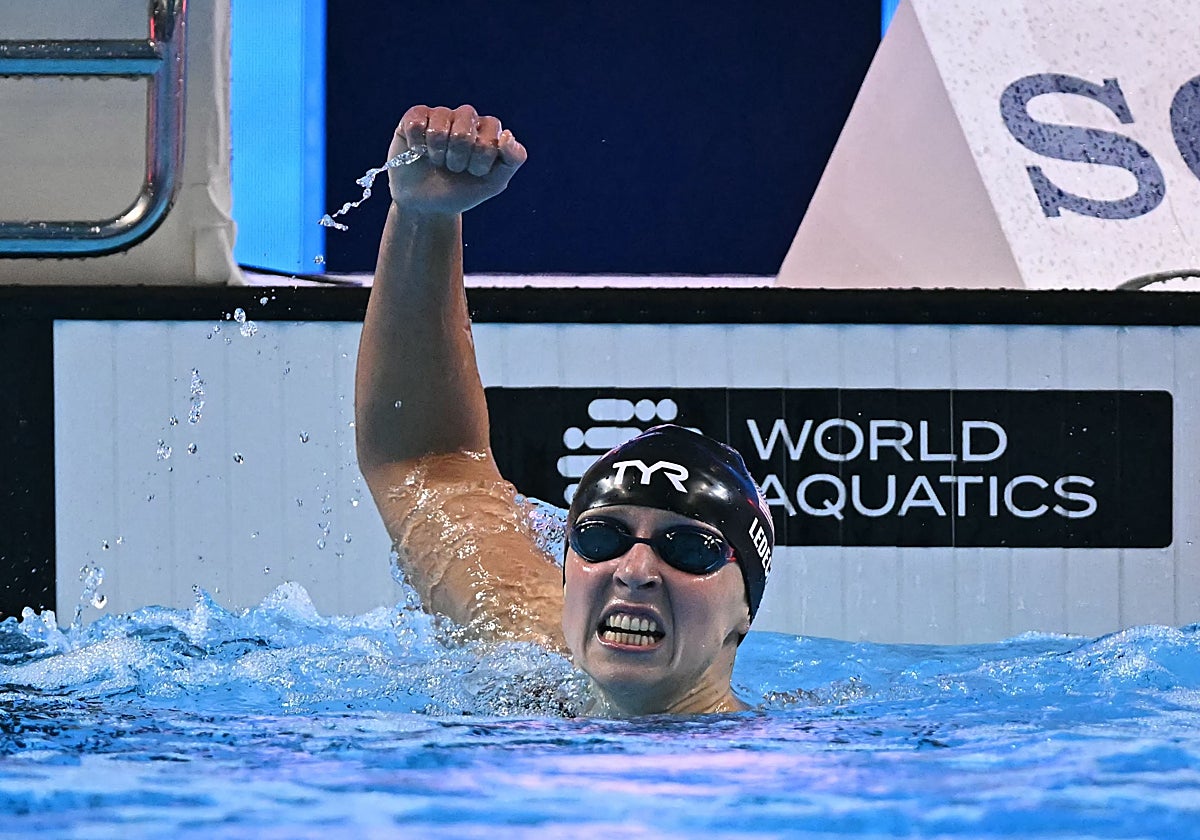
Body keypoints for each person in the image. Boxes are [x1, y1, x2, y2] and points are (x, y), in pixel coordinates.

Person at [355, 104, 774, 716]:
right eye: (600, 537)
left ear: (745, 611)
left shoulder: (791, 755)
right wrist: (423, 217)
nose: (634, 570)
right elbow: (426, 462)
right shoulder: (531, 654)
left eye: (689, 548)